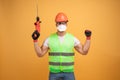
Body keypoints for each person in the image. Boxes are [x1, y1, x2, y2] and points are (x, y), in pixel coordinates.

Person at [32, 12, 92, 80]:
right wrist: (35, 40)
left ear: (66, 23)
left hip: (69, 73)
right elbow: (40, 54)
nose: (61, 25)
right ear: (56, 24)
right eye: (59, 23)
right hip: (54, 73)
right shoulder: (49, 39)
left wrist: (88, 38)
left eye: (63, 22)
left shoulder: (72, 39)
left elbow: (84, 51)